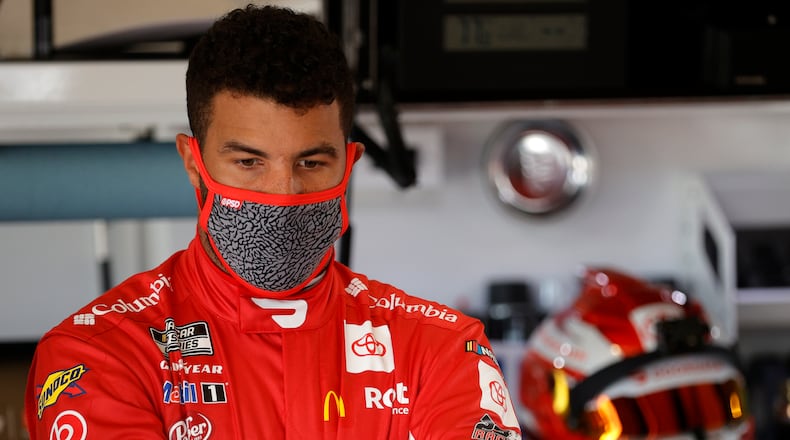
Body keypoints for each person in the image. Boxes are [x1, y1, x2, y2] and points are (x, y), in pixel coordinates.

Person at [24, 5, 522, 439]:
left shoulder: (439, 349)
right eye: (249, 163)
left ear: (348, 165)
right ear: (194, 163)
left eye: (311, 163)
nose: (284, 195)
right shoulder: (96, 356)